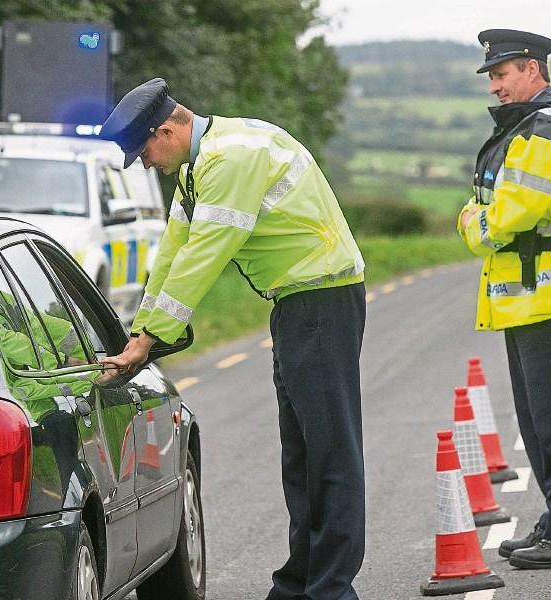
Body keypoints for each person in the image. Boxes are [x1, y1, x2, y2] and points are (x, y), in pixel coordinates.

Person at [99, 78, 367, 600]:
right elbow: (173, 253)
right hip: (295, 304)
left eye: (144, 152)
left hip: (323, 301)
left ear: (166, 130)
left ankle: (332, 589)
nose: (146, 164)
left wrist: (150, 341)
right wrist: (138, 334)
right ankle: (299, 583)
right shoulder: (197, 167)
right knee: (301, 457)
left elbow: (205, 256)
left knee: (330, 453)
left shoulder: (230, 160)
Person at [457, 29, 551, 569]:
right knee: (540, 421)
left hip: (550, 296)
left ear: (532, 69)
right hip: (529, 297)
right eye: (492, 77)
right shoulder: (528, 127)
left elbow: (509, 217)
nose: (494, 86)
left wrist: (471, 222)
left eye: (501, 74)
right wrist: (484, 218)